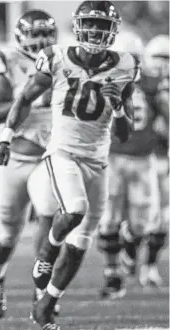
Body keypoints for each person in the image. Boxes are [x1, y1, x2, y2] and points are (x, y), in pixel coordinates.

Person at [0, 1, 137, 328]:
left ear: (113, 31)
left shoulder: (126, 65)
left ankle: (48, 302)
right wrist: (4, 137)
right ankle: (46, 255)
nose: (96, 32)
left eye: (102, 26)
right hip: (62, 153)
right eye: (90, 24)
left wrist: (117, 107)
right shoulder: (56, 57)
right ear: (78, 26)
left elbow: (126, 133)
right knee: (74, 210)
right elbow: (24, 98)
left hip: (98, 161)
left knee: (81, 241)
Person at [0, 9, 59, 318]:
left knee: (48, 216)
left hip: (50, 155)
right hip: (14, 157)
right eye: (34, 35)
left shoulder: (63, 59)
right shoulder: (7, 60)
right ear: (20, 37)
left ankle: (43, 289)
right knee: (7, 234)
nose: (40, 41)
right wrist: (30, 100)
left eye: (45, 35)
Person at [96, 30, 166, 299]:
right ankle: (112, 273)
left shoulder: (150, 82)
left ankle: (129, 248)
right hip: (112, 156)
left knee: (142, 223)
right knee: (110, 217)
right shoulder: (102, 80)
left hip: (143, 158)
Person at [140, 34, 169, 288]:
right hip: (147, 159)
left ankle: (149, 266)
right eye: (158, 57)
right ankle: (129, 257)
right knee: (144, 218)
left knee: (162, 219)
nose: (163, 63)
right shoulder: (142, 86)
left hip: (164, 159)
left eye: (167, 58)